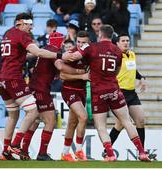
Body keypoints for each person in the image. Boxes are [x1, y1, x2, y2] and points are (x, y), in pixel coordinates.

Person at [62, 24, 151, 162]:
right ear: (112, 36)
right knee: (127, 122)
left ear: (100, 34)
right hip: (114, 89)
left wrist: (61, 55)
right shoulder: (117, 50)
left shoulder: (92, 47)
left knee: (101, 126)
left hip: (99, 91)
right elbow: (117, 70)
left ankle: (110, 154)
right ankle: (141, 152)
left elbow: (73, 57)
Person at [0, 12, 67, 160]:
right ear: (20, 23)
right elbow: (38, 51)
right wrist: (59, 55)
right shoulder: (22, 35)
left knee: (13, 116)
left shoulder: (8, 34)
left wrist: (36, 55)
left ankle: (5, 151)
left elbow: (21, 55)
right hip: (13, 78)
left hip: (2, 78)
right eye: (29, 24)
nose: (31, 27)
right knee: (33, 112)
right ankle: (15, 145)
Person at [21, 32, 87, 161]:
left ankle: (23, 150)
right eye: (62, 42)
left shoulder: (45, 49)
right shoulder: (54, 51)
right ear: (60, 42)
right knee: (51, 120)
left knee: (35, 120)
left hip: (34, 87)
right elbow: (60, 66)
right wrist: (81, 71)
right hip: (41, 89)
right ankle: (42, 153)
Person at [104, 33, 156, 160]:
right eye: (123, 41)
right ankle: (107, 152)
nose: (126, 42)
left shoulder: (132, 54)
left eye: (127, 40)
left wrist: (141, 77)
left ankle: (141, 153)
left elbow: (132, 70)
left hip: (132, 93)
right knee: (120, 124)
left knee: (140, 121)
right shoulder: (114, 56)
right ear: (117, 43)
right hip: (119, 92)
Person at [60, 31, 90, 162]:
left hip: (82, 91)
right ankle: (78, 150)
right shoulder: (71, 54)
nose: (80, 45)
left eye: (83, 43)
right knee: (83, 117)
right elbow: (62, 75)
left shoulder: (90, 53)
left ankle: (65, 153)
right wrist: (81, 76)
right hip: (69, 89)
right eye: (78, 42)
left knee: (72, 122)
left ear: (88, 43)